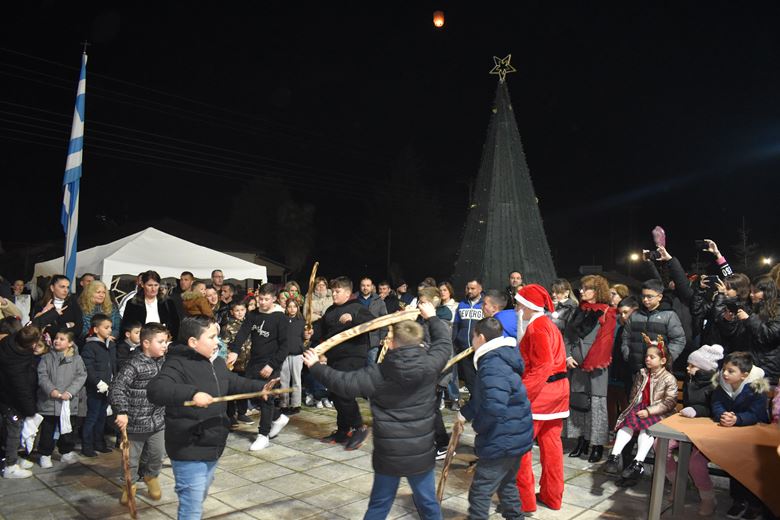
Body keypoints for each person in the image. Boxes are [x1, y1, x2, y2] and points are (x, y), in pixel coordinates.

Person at [302, 301, 449, 520]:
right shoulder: (431, 365)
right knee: (428, 504)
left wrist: (316, 366)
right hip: (420, 451)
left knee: (379, 506)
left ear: (392, 343)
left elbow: (343, 383)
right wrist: (432, 318)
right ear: (419, 342)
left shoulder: (378, 373)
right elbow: (444, 343)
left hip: (389, 453)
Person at [147, 316, 274, 520]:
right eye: (212, 337)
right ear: (193, 342)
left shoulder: (216, 362)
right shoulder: (176, 364)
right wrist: (192, 394)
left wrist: (260, 388)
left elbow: (231, 381)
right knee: (192, 507)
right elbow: (156, 389)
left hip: (213, 443)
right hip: (188, 446)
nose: (218, 342)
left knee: (198, 496)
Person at [456, 317, 534, 520]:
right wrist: (464, 414)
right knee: (507, 483)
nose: (472, 341)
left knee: (480, 492)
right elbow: (484, 396)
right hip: (514, 434)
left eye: (473, 336)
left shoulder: (493, 364)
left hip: (503, 438)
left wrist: (480, 427)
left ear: (481, 338)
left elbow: (494, 406)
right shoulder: (500, 357)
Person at [513, 284, 570, 512]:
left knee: (520, 447)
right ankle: (552, 496)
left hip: (541, 395)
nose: (516, 308)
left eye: (518, 304)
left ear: (528, 306)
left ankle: (524, 501)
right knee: (551, 446)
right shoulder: (548, 324)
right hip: (558, 393)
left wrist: (520, 394)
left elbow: (542, 367)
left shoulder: (536, 328)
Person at [305, 276, 374, 450]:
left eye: (337, 291)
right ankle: (343, 430)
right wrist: (310, 333)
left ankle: (359, 427)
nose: (334, 294)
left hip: (352, 356)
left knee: (343, 392)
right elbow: (321, 329)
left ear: (348, 293)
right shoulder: (330, 310)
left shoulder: (357, 307)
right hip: (335, 357)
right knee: (335, 393)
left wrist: (351, 320)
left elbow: (372, 323)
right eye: (333, 291)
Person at [603, 338, 677, 487]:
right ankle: (614, 456)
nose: (647, 359)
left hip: (659, 413)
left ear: (663, 361)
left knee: (646, 429)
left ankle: (638, 463)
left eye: (652, 357)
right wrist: (634, 408)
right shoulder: (642, 373)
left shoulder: (669, 378)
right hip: (641, 409)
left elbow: (670, 402)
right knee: (627, 424)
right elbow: (634, 394)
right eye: (646, 356)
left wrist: (649, 411)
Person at [110, 322, 169, 505]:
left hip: (158, 421)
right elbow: (117, 387)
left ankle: (151, 477)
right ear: (146, 343)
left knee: (157, 455)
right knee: (131, 460)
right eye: (160, 342)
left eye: (166, 342)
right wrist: (121, 411)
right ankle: (130, 485)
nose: (165, 345)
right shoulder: (133, 364)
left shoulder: (165, 362)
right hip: (135, 423)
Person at [228, 283, 289, 451]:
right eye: (260, 299)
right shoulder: (253, 314)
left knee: (266, 397)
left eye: (266, 299)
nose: (262, 302)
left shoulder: (280, 318)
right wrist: (234, 351)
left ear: (274, 299)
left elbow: (285, 346)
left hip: (271, 364)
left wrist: (272, 365)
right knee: (251, 393)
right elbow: (242, 333)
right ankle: (278, 417)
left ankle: (263, 435)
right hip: (254, 362)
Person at [711, 352, 771, 519]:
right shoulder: (722, 385)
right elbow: (716, 403)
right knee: (734, 464)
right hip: (732, 432)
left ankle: (755, 504)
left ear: (744, 374)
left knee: (751, 466)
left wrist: (738, 419)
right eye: (724, 369)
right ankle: (738, 500)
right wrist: (723, 415)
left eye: (731, 371)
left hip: (754, 433)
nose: (725, 373)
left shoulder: (756, 388)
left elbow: (757, 413)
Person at [666, 343, 723, 516]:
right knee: (660, 446)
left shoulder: (717, 385)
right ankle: (677, 484)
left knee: (695, 463)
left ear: (704, 368)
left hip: (708, 431)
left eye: (692, 365)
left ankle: (708, 498)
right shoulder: (691, 380)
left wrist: (697, 410)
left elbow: (715, 409)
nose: (688, 368)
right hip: (689, 427)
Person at [565, 275, 616, 463]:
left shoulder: (607, 312)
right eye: (582, 288)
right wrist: (568, 356)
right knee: (579, 404)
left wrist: (590, 363)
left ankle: (597, 445)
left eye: (586, 288)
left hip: (596, 368)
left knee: (596, 406)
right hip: (576, 366)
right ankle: (582, 441)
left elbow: (605, 343)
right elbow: (568, 336)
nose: (581, 291)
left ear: (597, 291)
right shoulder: (578, 310)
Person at [36, 329, 86, 468]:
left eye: (62, 339)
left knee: (67, 428)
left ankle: (66, 451)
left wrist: (70, 392)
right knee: (47, 429)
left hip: (67, 402)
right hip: (50, 402)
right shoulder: (46, 358)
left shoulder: (77, 359)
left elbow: (81, 376)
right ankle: (45, 454)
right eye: (56, 338)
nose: (57, 341)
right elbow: (42, 376)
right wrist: (51, 390)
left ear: (70, 343)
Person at [0, 326, 41, 478]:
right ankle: (10, 466)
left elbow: (38, 321)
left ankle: (13, 458)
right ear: (32, 344)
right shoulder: (16, 364)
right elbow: (21, 389)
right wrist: (30, 410)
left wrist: (54, 314)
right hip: (12, 401)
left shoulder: (9, 342)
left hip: (8, 396)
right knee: (13, 432)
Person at [621, 279, 686, 375]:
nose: (645, 299)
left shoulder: (669, 315)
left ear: (660, 297)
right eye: (643, 296)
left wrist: (666, 358)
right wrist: (627, 354)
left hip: (659, 370)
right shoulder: (634, 315)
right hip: (636, 368)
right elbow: (626, 337)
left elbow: (679, 340)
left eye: (649, 296)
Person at [80, 313, 118, 457]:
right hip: (95, 388)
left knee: (102, 416)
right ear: (96, 329)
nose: (110, 330)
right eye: (106, 327)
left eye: (110, 327)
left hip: (108, 387)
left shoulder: (110, 345)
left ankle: (99, 443)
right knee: (92, 417)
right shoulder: (90, 346)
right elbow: (88, 368)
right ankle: (87, 446)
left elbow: (113, 365)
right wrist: (97, 382)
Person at [121, 270, 180, 341]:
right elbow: (126, 326)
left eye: (156, 285)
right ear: (142, 284)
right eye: (150, 285)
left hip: (163, 341)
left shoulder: (167, 302)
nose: (153, 289)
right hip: (140, 341)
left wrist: (169, 338)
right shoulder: (133, 303)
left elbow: (175, 324)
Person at [220, 301, 253, 425]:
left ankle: (242, 413)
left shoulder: (250, 324)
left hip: (248, 363)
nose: (240, 313)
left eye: (242, 310)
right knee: (232, 389)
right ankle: (230, 415)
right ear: (232, 312)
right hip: (234, 364)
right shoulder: (228, 327)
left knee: (244, 388)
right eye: (237, 310)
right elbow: (224, 346)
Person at [453, 279, 484, 393]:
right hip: (464, 348)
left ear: (480, 289)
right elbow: (456, 325)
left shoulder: (485, 304)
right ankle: (474, 399)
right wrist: (455, 342)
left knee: (480, 377)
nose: (469, 291)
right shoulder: (462, 304)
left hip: (480, 348)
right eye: (468, 288)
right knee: (469, 379)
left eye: (472, 288)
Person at [280, 298, 305, 415]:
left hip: (297, 354)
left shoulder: (302, 321)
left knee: (296, 380)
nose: (292, 309)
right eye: (289, 306)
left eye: (294, 306)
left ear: (298, 308)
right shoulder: (282, 321)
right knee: (284, 380)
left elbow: (305, 338)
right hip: (284, 354)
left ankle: (296, 404)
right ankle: (284, 404)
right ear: (286, 308)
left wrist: (306, 340)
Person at [356, 277, 388, 364]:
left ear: (372, 287)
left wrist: (382, 337)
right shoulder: (354, 300)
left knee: (371, 366)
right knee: (358, 366)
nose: (365, 288)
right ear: (360, 286)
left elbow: (384, 320)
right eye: (363, 285)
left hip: (373, 341)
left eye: (368, 285)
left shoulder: (379, 301)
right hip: (357, 341)